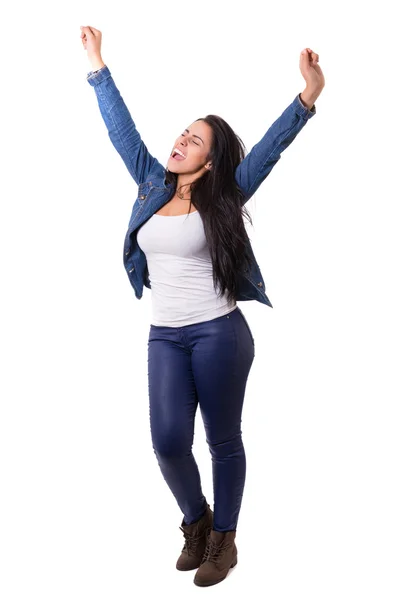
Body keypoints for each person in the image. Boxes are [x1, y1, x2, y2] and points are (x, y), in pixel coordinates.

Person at [80, 25, 325, 587]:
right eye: (182, 134)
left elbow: (268, 149)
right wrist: (98, 65)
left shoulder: (227, 192)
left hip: (218, 334)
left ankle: (225, 540)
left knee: (222, 439)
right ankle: (197, 521)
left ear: (212, 163)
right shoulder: (150, 182)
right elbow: (122, 129)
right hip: (165, 335)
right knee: (167, 441)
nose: (180, 142)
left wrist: (307, 96)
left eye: (195, 141)